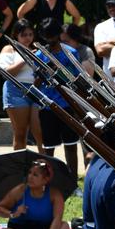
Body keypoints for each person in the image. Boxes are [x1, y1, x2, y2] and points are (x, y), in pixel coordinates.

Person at [35, 18, 83, 176]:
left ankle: (73, 180)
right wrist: (44, 70)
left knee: (70, 144)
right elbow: (36, 83)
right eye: (46, 36)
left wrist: (60, 71)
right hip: (48, 107)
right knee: (49, 148)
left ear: (58, 34)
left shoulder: (71, 52)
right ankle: (48, 179)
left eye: (52, 35)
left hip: (68, 104)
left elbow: (77, 79)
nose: (50, 40)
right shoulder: (40, 55)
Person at [0, 159, 69, 229]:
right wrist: (14, 214)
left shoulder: (55, 195)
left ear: (46, 179)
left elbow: (57, 219)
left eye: (35, 175)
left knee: (64, 226)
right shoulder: (20, 190)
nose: (30, 177)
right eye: (29, 173)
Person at [0, 19, 44, 153]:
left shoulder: (37, 50)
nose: (28, 38)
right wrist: (26, 57)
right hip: (15, 91)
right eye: (24, 34)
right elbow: (6, 72)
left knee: (40, 132)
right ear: (16, 35)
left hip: (36, 90)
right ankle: (20, 169)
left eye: (30, 34)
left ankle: (45, 166)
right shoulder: (9, 49)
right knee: (20, 133)